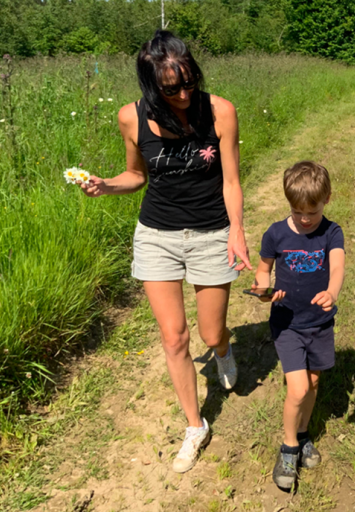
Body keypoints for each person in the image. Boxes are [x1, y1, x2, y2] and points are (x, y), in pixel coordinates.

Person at [80, 30, 251, 473]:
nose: (183, 94)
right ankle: (195, 426)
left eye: (189, 82)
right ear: (151, 85)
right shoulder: (130, 117)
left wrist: (237, 231)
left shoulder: (221, 111)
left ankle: (223, 350)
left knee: (210, 333)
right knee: (174, 337)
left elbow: (231, 180)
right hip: (157, 235)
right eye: (171, 89)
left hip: (211, 233)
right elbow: (136, 175)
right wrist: (106, 185)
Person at [251, 161, 345, 490]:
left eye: (312, 212)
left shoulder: (331, 232)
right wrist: (263, 291)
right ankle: (289, 447)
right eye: (297, 211)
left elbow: (337, 268)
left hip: (320, 323)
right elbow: (263, 271)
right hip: (287, 323)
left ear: (327, 199)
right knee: (298, 389)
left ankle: (303, 433)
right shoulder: (275, 233)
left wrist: (332, 292)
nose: (305, 219)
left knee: (314, 382)